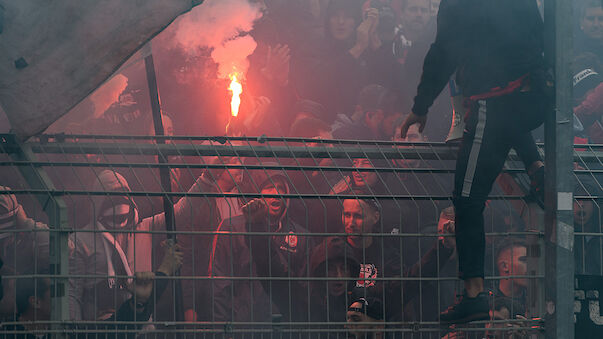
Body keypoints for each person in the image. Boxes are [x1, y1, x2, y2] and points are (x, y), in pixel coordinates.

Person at [399, 0, 550, 324]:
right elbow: (540, 34)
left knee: (466, 201)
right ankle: (536, 168)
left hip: (493, 102)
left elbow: (443, 54)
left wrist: (421, 106)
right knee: (508, 125)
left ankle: (473, 294)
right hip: (529, 96)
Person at [69, 169, 208, 320]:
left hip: (142, 328)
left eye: (122, 195)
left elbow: (182, 212)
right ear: (97, 202)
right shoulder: (80, 241)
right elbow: (72, 295)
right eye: (111, 197)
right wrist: (73, 331)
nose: (118, 203)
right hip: (101, 330)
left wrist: (207, 179)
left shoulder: (144, 229)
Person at [0, 242, 183, 339]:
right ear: (36, 301)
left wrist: (143, 298)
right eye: (55, 291)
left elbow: (117, 329)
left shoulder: (66, 332)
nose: (64, 295)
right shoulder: (7, 334)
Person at [208, 167, 312, 324]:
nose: (276, 194)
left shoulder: (302, 237)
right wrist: (222, 328)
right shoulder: (231, 229)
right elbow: (219, 282)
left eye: (281, 188)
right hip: (243, 325)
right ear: (256, 192)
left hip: (284, 325)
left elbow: (304, 287)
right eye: (270, 187)